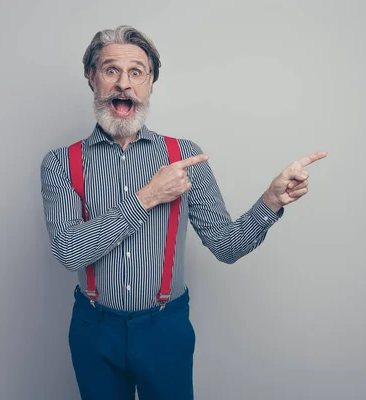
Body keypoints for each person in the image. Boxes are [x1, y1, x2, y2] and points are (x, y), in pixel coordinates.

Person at [40, 25, 327, 400]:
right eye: (111, 71)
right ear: (92, 78)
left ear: (151, 82)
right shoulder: (61, 163)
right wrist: (146, 197)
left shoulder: (184, 157)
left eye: (136, 72)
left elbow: (226, 246)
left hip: (165, 329)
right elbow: (69, 252)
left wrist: (270, 201)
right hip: (94, 329)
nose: (123, 84)